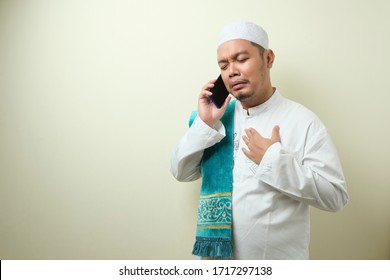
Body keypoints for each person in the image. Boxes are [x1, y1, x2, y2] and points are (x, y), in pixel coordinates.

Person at [170, 21, 348, 260]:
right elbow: (181, 171)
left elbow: (336, 196)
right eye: (224, 65)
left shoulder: (302, 121)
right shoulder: (219, 119)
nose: (232, 71)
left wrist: (274, 161)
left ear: (268, 58)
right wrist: (205, 124)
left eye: (241, 59)